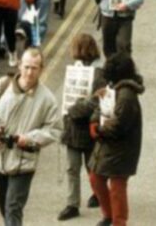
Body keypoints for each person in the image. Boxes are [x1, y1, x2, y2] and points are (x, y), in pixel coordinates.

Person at [0, 48, 62, 226]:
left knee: (13, 207)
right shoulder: (2, 85)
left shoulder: (47, 99)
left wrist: (30, 138)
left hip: (23, 162)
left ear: (41, 69)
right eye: (27, 67)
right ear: (20, 65)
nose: (30, 72)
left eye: (35, 68)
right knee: (4, 206)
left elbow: (54, 130)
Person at [89, 52, 145, 226]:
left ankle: (118, 221)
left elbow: (119, 125)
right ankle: (109, 215)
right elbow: (102, 107)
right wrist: (95, 120)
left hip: (122, 148)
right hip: (110, 145)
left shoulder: (126, 95)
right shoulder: (116, 89)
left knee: (117, 187)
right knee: (95, 178)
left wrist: (98, 129)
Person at [57, 34, 103, 221]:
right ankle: (72, 203)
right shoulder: (73, 70)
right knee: (72, 167)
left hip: (88, 126)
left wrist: (76, 110)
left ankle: (98, 194)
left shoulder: (98, 73)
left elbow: (98, 101)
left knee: (92, 167)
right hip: (74, 128)